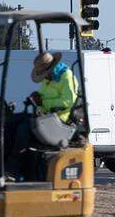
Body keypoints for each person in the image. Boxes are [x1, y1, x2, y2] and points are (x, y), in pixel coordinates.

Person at [5, 52, 78, 180]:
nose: (43, 77)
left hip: (60, 120)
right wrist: (34, 97)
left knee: (24, 128)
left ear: (50, 69)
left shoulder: (66, 76)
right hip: (46, 117)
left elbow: (68, 101)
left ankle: (14, 168)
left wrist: (43, 102)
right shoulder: (48, 80)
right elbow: (41, 95)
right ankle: (3, 164)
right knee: (11, 123)